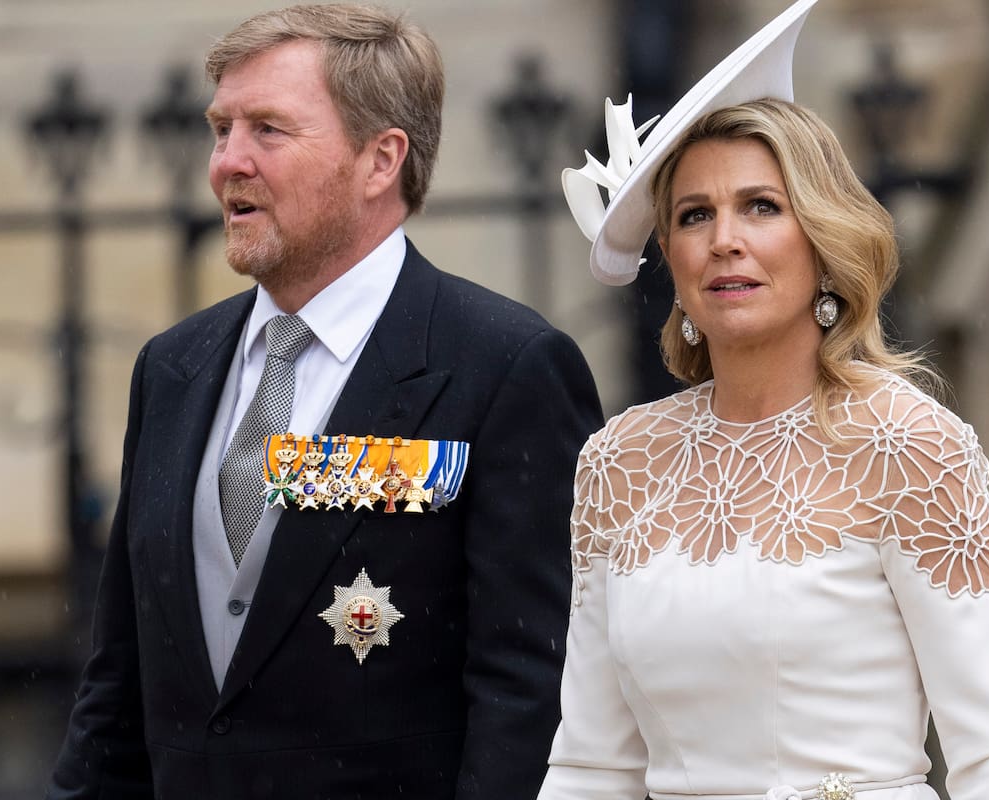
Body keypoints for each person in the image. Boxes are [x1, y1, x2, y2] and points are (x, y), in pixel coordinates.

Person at [47, 5, 603, 799]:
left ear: (381, 160)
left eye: (268, 130)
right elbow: (117, 688)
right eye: (221, 129)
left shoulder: (504, 366)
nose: (227, 163)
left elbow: (529, 696)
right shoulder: (171, 369)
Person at [538, 1, 989, 799]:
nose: (724, 240)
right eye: (695, 216)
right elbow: (591, 764)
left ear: (822, 236)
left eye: (761, 207)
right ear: (670, 256)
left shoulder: (912, 444)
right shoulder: (619, 461)